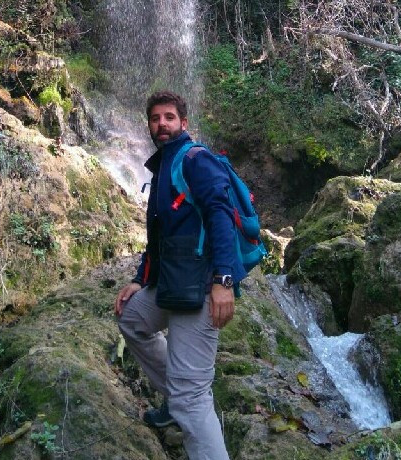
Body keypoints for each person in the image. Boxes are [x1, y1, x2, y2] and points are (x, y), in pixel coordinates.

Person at [115, 91, 246, 460]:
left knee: (193, 399)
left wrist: (223, 281)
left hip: (201, 288)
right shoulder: (163, 166)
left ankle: (184, 403)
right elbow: (159, 236)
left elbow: (221, 216)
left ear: (183, 123)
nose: (162, 124)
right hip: (172, 283)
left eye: (169, 117)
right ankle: (175, 399)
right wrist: (140, 279)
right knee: (131, 318)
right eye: (155, 118)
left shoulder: (195, 159)